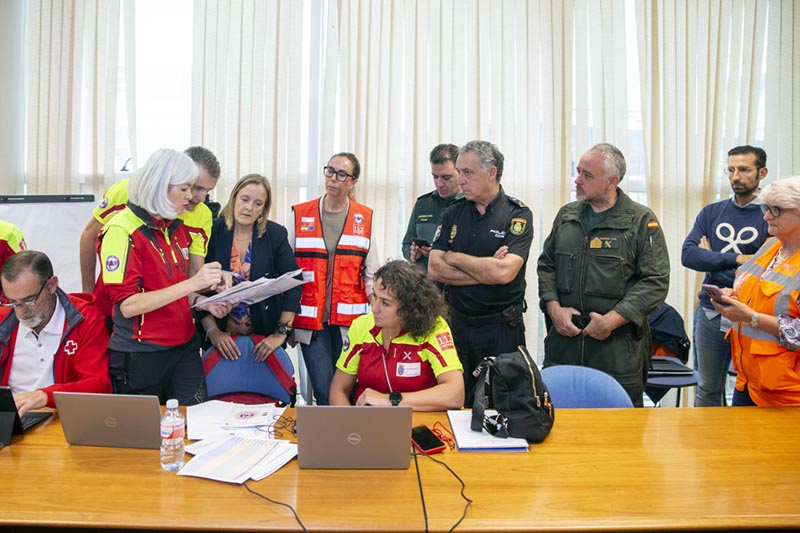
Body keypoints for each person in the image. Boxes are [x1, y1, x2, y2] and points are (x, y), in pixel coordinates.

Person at [537, 143, 670, 407]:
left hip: (617, 349)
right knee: (556, 424)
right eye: (578, 172)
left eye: (587, 175)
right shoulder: (567, 216)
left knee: (618, 433)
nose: (577, 180)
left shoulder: (640, 220)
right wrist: (553, 308)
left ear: (612, 181)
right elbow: (547, 265)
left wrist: (611, 321)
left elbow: (655, 281)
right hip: (565, 342)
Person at [98, 148, 228, 405]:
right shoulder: (120, 230)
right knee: (144, 439)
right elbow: (128, 305)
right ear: (160, 186)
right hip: (141, 354)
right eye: (184, 189)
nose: (191, 197)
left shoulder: (175, 228)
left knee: (195, 428)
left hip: (184, 347)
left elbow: (174, 289)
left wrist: (202, 302)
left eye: (193, 188)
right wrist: (194, 283)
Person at [428, 140, 533, 405]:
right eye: (459, 171)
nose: (460, 180)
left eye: (467, 172)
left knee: (503, 404)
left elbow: (504, 273)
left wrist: (455, 257)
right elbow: (435, 268)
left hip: (501, 329)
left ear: (491, 173)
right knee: (456, 404)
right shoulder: (453, 213)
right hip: (458, 326)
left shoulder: (517, 215)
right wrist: (486, 266)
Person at [289, 152, 380, 405]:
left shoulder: (365, 217)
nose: (332, 178)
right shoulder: (300, 214)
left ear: (353, 182)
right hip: (311, 321)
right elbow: (287, 273)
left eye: (341, 174)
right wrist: (285, 319)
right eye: (329, 171)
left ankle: (351, 441)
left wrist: (378, 313)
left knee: (349, 391)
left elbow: (372, 272)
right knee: (324, 391)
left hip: (351, 324)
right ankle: (330, 442)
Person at [682, 145, 770, 406]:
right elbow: (689, 255)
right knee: (707, 387)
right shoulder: (712, 212)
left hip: (752, 315)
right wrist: (737, 258)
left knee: (750, 388)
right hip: (711, 311)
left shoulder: (772, 214)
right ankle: (706, 446)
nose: (735, 176)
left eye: (744, 169)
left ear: (761, 172)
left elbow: (765, 271)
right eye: (730, 169)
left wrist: (711, 260)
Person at [79, 146, 221, 293]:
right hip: (123, 301)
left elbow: (193, 274)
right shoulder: (124, 195)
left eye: (208, 191)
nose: (200, 198)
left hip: (168, 306)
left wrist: (216, 280)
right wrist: (88, 294)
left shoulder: (198, 216)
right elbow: (89, 236)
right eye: (194, 187)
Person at [329, 260, 464, 410]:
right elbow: (338, 390)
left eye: (385, 303)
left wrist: (391, 401)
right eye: (375, 296)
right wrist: (350, 427)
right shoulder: (361, 326)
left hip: (419, 424)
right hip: (367, 424)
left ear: (409, 309)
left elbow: (455, 394)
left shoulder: (434, 327)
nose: (374, 308)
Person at [712, 176, 800, 406]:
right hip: (749, 382)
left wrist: (751, 317)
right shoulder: (771, 246)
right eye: (766, 208)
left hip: (787, 394)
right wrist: (730, 297)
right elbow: (752, 290)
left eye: (776, 210)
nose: (766, 216)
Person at [199, 174, 301, 361]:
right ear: (234, 198)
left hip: (264, 339)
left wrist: (280, 333)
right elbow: (198, 288)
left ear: (263, 209)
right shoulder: (212, 231)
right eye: (245, 199)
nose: (249, 207)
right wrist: (213, 332)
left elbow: (294, 283)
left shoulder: (275, 234)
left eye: (257, 203)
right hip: (221, 337)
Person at [0, 250, 111, 416]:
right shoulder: (3, 319)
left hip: (62, 419)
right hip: (12, 417)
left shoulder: (86, 319)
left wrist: (46, 396)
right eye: (12, 302)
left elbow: (99, 385)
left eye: (29, 300)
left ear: (52, 285)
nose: (21, 311)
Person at [401, 143, 464, 273]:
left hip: (456, 283)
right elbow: (406, 244)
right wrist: (413, 254)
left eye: (446, 178)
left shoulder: (471, 205)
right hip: (425, 286)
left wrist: (440, 255)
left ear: (460, 172)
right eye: (435, 177)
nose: (439, 184)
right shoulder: (423, 204)